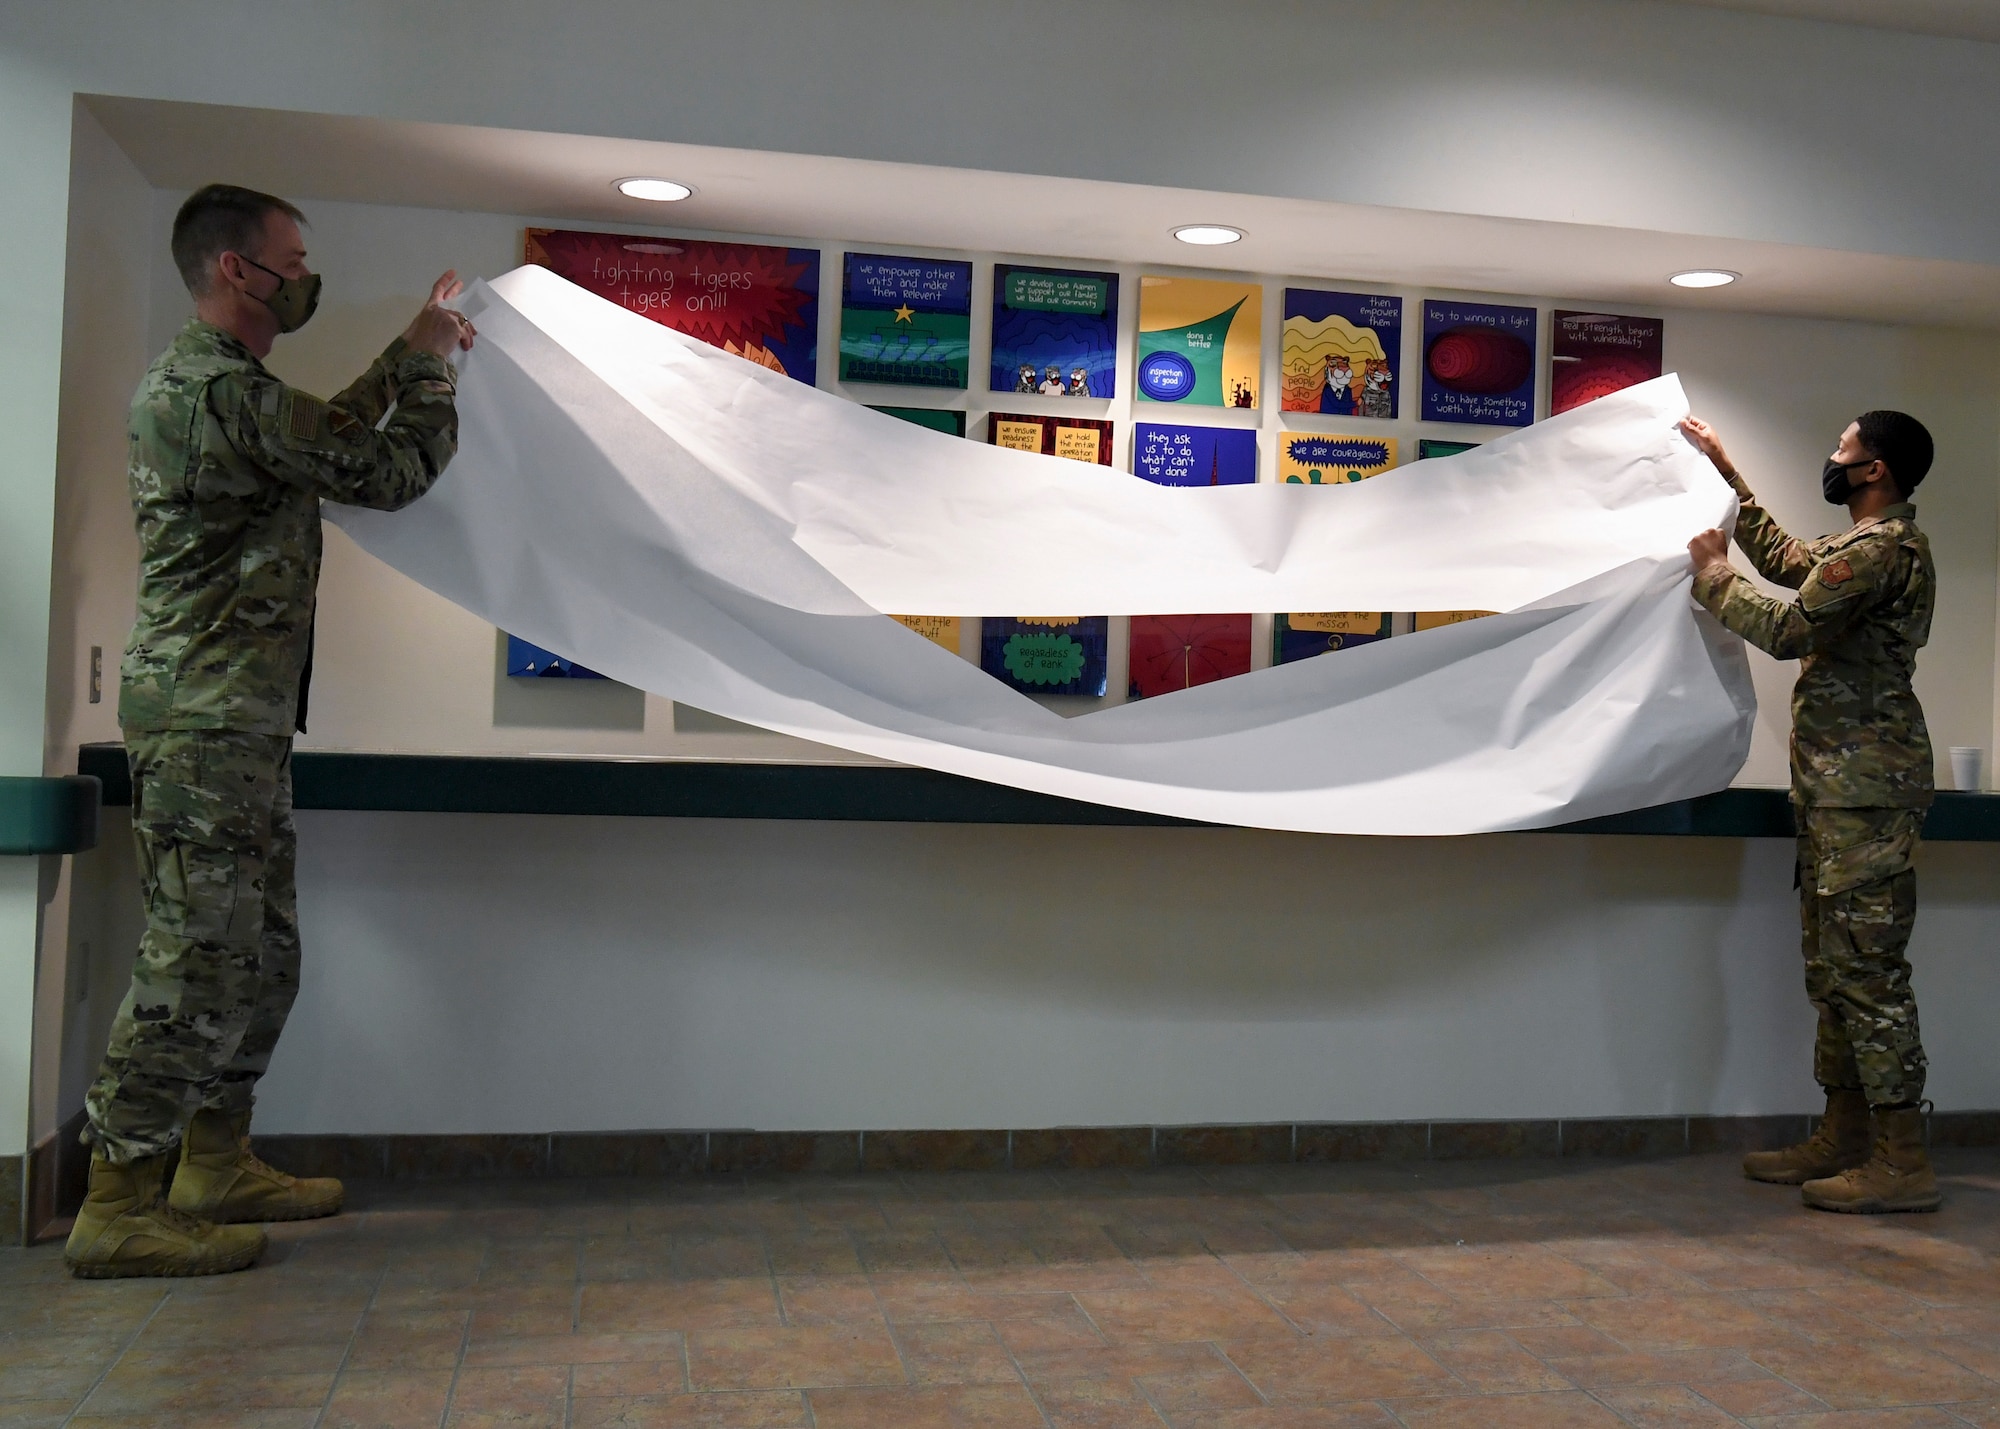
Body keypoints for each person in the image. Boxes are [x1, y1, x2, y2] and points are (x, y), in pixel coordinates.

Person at [65, 184, 476, 1278]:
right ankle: (116, 1200)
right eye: (292, 259)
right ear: (238, 272)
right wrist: (434, 370)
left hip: (234, 728)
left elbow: (324, 433)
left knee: (262, 958)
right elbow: (381, 469)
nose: (305, 274)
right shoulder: (208, 394)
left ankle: (212, 1160)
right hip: (204, 727)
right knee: (194, 965)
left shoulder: (233, 395)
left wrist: (406, 347)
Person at [1682, 410, 1940, 1214]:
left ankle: (1901, 1159)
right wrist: (1726, 471)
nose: (1832, 456)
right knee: (1833, 971)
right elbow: (1797, 563)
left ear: (1876, 471)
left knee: (1868, 972)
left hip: (1867, 794)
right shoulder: (1857, 548)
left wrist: (1716, 576)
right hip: (1836, 791)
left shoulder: (1884, 549)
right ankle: (1845, 1134)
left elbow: (1793, 626)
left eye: (1844, 448)